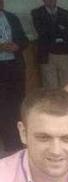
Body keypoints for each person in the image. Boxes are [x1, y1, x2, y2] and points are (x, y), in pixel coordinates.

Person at [0, 2, 28, 153]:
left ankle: (18, 141)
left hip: (14, 66)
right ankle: (8, 142)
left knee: (17, 104)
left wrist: (18, 45)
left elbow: (24, 40)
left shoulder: (12, 17)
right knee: (2, 106)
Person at [32, 0, 68, 89]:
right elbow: (41, 31)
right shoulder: (36, 12)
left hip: (65, 53)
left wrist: (55, 30)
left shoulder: (65, 13)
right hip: (47, 54)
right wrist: (60, 29)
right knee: (50, 86)